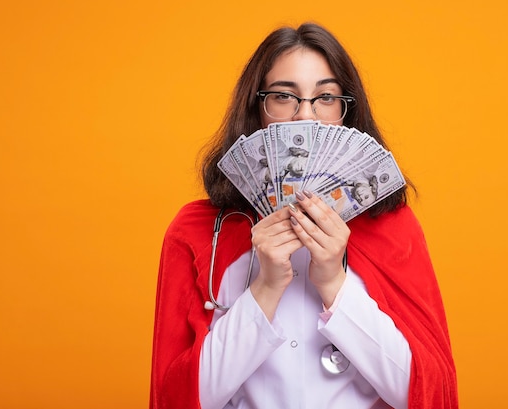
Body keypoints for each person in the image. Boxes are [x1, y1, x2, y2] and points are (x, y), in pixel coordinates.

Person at [150, 23, 458, 409]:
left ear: (347, 112)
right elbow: (178, 398)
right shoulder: (197, 233)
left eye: (325, 97)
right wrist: (265, 288)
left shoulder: (393, 229)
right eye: (284, 96)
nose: (305, 118)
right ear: (256, 109)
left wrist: (333, 281)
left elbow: (425, 393)